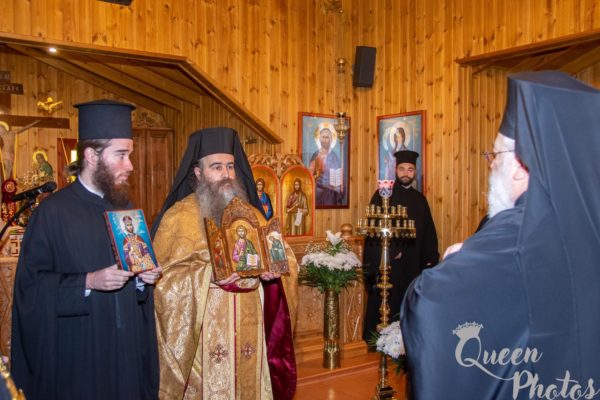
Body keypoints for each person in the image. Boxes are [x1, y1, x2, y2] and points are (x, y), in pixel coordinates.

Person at [401, 71, 600, 399]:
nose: (491, 165)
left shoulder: (519, 232)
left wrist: (454, 266)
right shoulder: (585, 221)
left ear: (521, 167)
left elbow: (429, 304)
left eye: (495, 156)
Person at [11, 100, 161, 400]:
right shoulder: (52, 213)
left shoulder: (126, 209)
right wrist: (88, 281)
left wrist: (143, 281)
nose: (130, 165)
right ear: (92, 156)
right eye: (121, 155)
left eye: (129, 155)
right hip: (80, 358)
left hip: (125, 356)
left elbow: (137, 291)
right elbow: (31, 289)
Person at [151, 127, 298, 400]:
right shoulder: (178, 217)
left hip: (250, 336)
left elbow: (285, 257)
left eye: (230, 166)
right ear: (198, 172)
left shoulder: (252, 214)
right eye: (216, 167)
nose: (226, 174)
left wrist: (273, 270)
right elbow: (162, 280)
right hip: (203, 342)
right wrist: (206, 275)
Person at [363, 150, 438, 343]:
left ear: (415, 172)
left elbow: (428, 232)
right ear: (395, 170)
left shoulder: (420, 200)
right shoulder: (382, 195)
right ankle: (380, 343)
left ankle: (405, 344)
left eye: (410, 169)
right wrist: (389, 252)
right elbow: (373, 230)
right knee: (387, 303)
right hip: (389, 265)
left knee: (409, 306)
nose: (406, 173)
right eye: (402, 169)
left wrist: (430, 258)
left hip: (413, 267)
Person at [309, 125, 343, 206]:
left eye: (327, 137)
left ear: (330, 140)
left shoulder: (334, 157)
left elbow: (338, 175)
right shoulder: (315, 155)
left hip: (330, 193)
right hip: (317, 192)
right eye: (323, 137)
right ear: (319, 139)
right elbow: (310, 173)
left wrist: (338, 186)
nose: (324, 140)